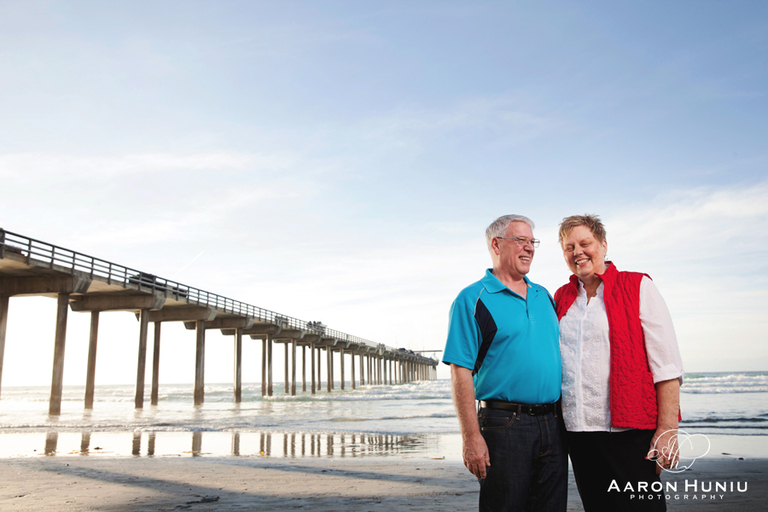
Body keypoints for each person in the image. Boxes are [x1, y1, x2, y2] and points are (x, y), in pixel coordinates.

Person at [554, 214, 683, 512]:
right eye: (569, 247)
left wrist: (667, 431)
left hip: (630, 432)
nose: (577, 252)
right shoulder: (562, 297)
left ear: (603, 245)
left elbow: (666, 365)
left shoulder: (637, 285)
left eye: (585, 243)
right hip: (578, 432)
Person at [443, 214, 567, 512]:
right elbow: (460, 372)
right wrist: (471, 437)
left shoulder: (544, 296)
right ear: (496, 245)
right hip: (504, 426)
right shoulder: (472, 299)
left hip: (553, 424)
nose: (530, 248)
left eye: (532, 241)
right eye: (521, 240)